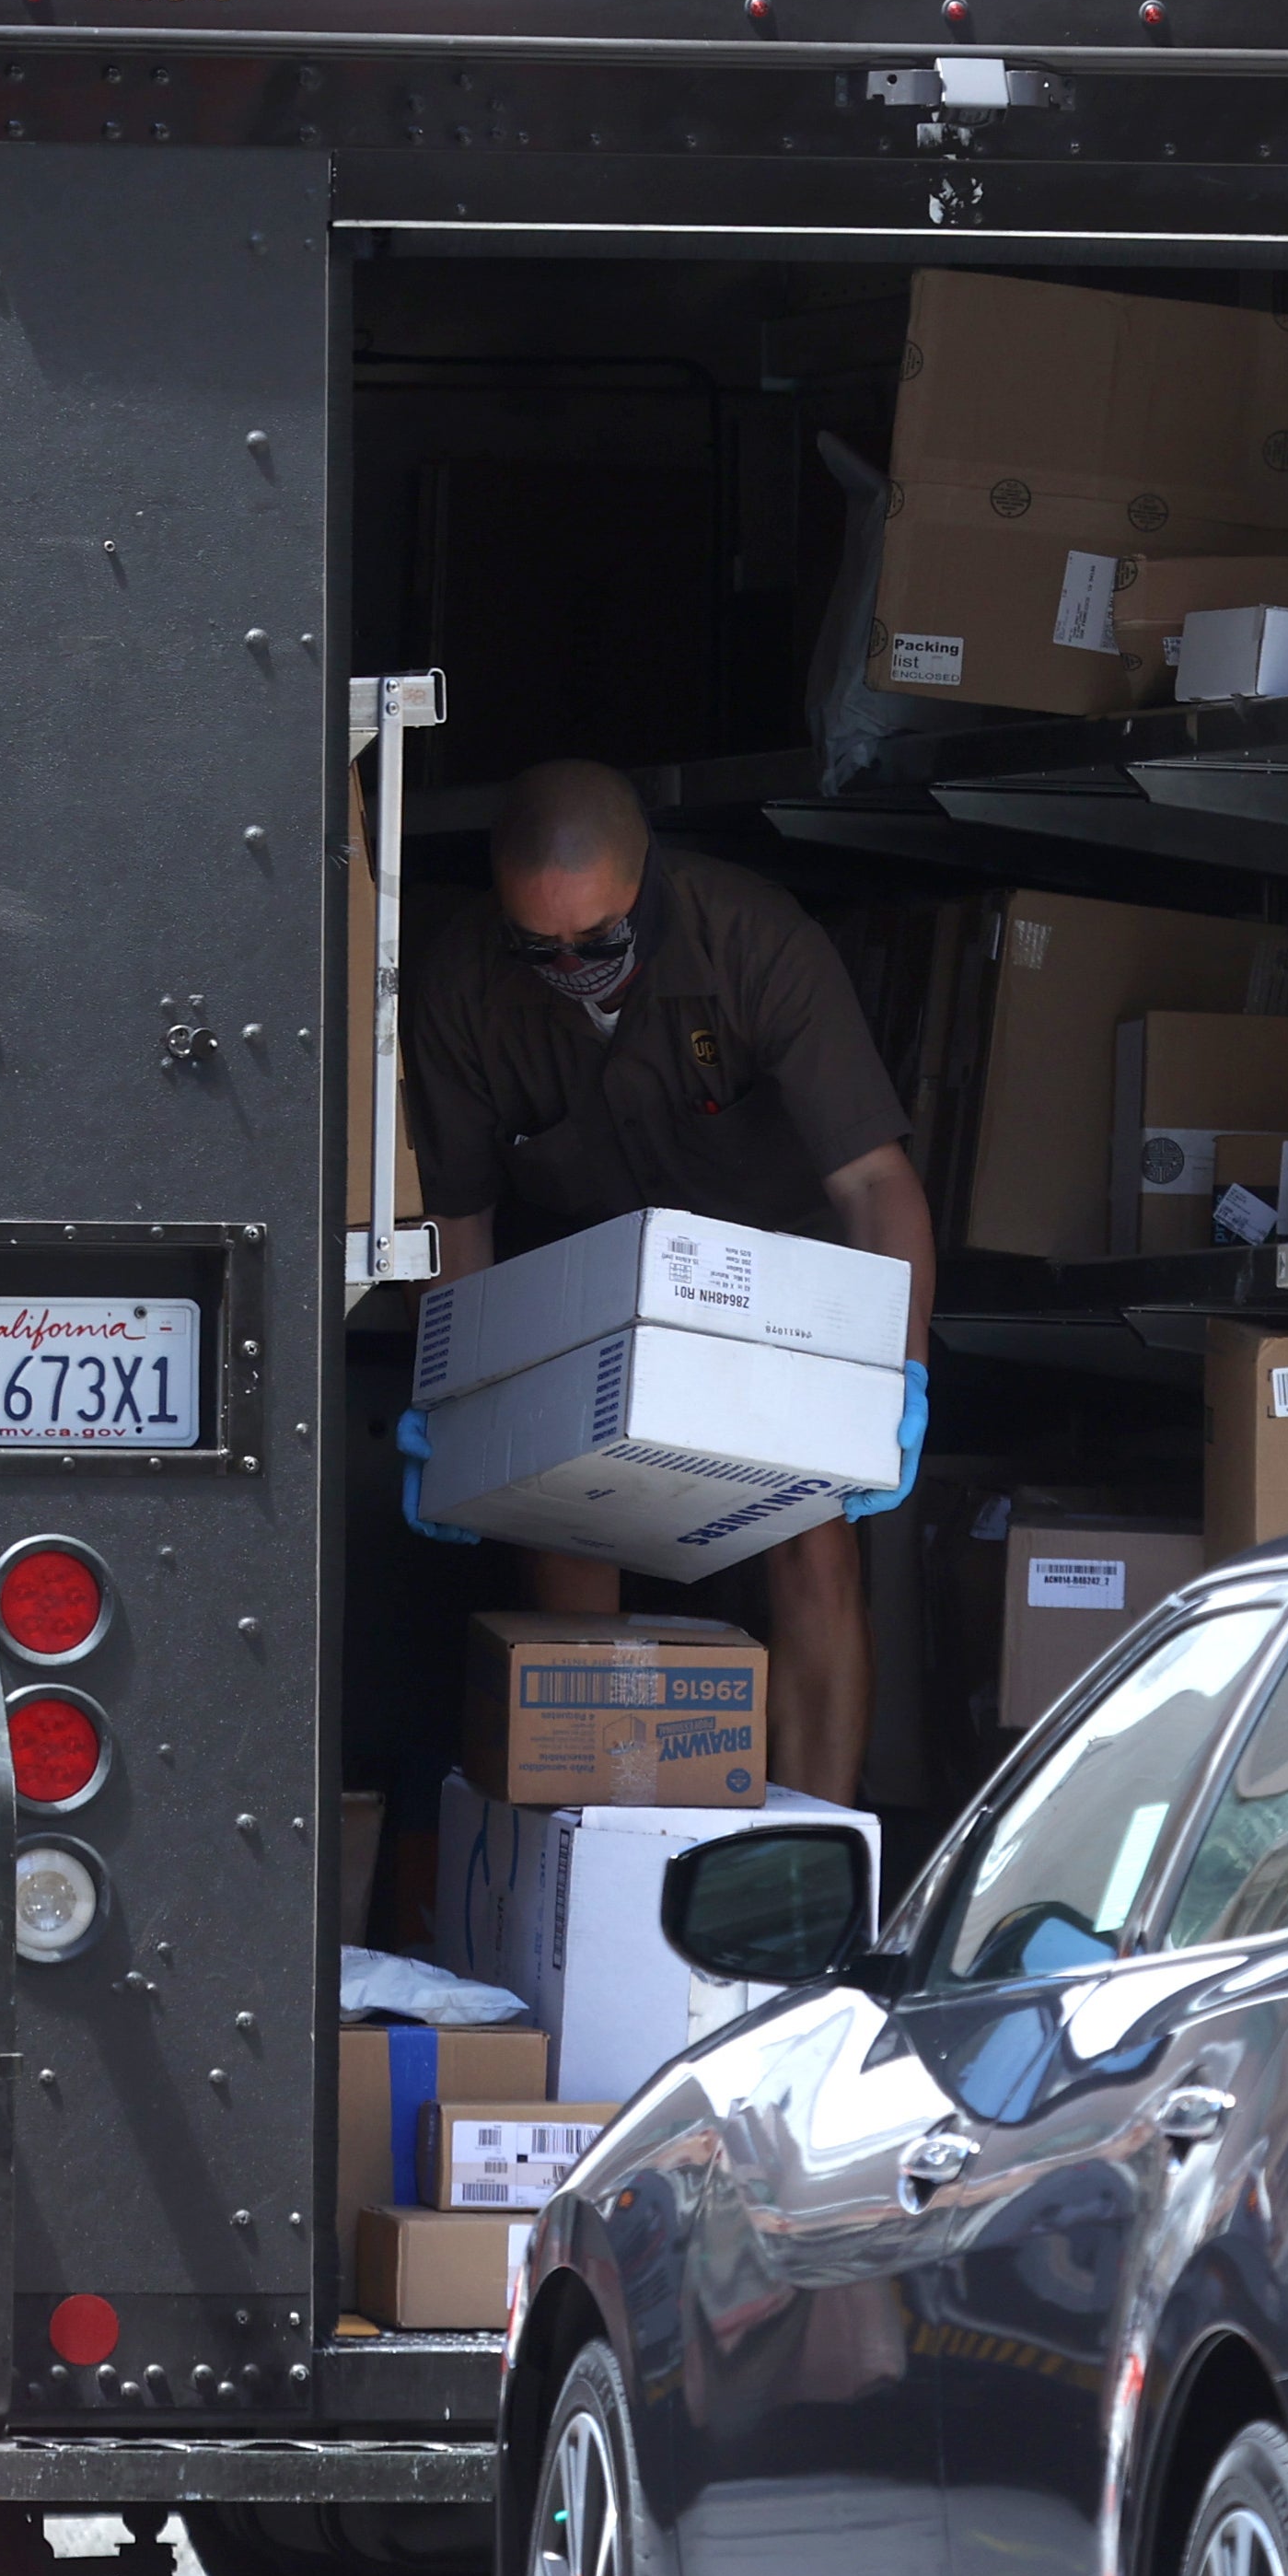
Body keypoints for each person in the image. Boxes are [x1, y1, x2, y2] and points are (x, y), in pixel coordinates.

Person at [394, 759, 933, 1806]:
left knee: (810, 1538)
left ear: (643, 881)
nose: (569, 966)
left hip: (773, 1273)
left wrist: (896, 1378)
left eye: (596, 941)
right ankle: (603, 1838)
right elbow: (456, 1215)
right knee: (564, 1526)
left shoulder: (754, 941)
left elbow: (872, 1178)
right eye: (537, 946)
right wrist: (454, 1395)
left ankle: (809, 1849)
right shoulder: (462, 978)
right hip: (587, 1280)